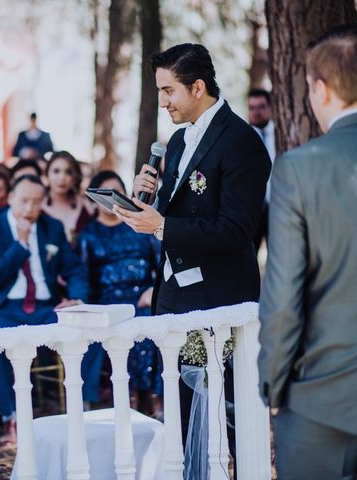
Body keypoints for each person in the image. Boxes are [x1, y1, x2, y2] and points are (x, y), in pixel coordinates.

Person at [113, 43, 271, 448]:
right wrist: (144, 202)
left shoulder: (242, 142)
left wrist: (163, 225)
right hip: (173, 299)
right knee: (182, 424)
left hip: (218, 301)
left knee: (226, 425)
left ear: (197, 87)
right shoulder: (180, 141)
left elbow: (236, 230)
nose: (163, 102)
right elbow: (177, 214)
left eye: (169, 91)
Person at [258, 25, 357, 480]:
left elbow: (283, 295)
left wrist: (274, 383)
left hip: (324, 390)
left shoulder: (298, 169)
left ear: (320, 90)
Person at [0, 174, 88, 444]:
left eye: (37, 202)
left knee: (85, 328)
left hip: (44, 307)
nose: (30, 209)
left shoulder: (53, 227)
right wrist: (20, 245)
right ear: (11, 197)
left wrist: (76, 297)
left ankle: (81, 408)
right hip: (3, 308)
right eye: (24, 200)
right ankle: (10, 417)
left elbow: (74, 268)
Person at [78, 171, 162, 415]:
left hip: (142, 297)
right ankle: (114, 405)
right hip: (107, 303)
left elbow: (161, 261)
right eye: (105, 193)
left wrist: (153, 289)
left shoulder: (140, 225)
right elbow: (82, 275)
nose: (113, 199)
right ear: (95, 198)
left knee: (148, 324)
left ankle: (151, 399)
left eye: (117, 191)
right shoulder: (89, 234)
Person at [42, 151, 93, 245]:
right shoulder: (37, 205)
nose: (62, 177)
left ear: (75, 177)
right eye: (56, 171)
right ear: (47, 174)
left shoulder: (85, 205)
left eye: (68, 172)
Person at [248, 88, 276, 252]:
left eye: (261, 107)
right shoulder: (244, 138)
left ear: (270, 107)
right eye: (252, 108)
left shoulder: (281, 134)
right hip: (253, 209)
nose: (256, 112)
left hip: (277, 206)